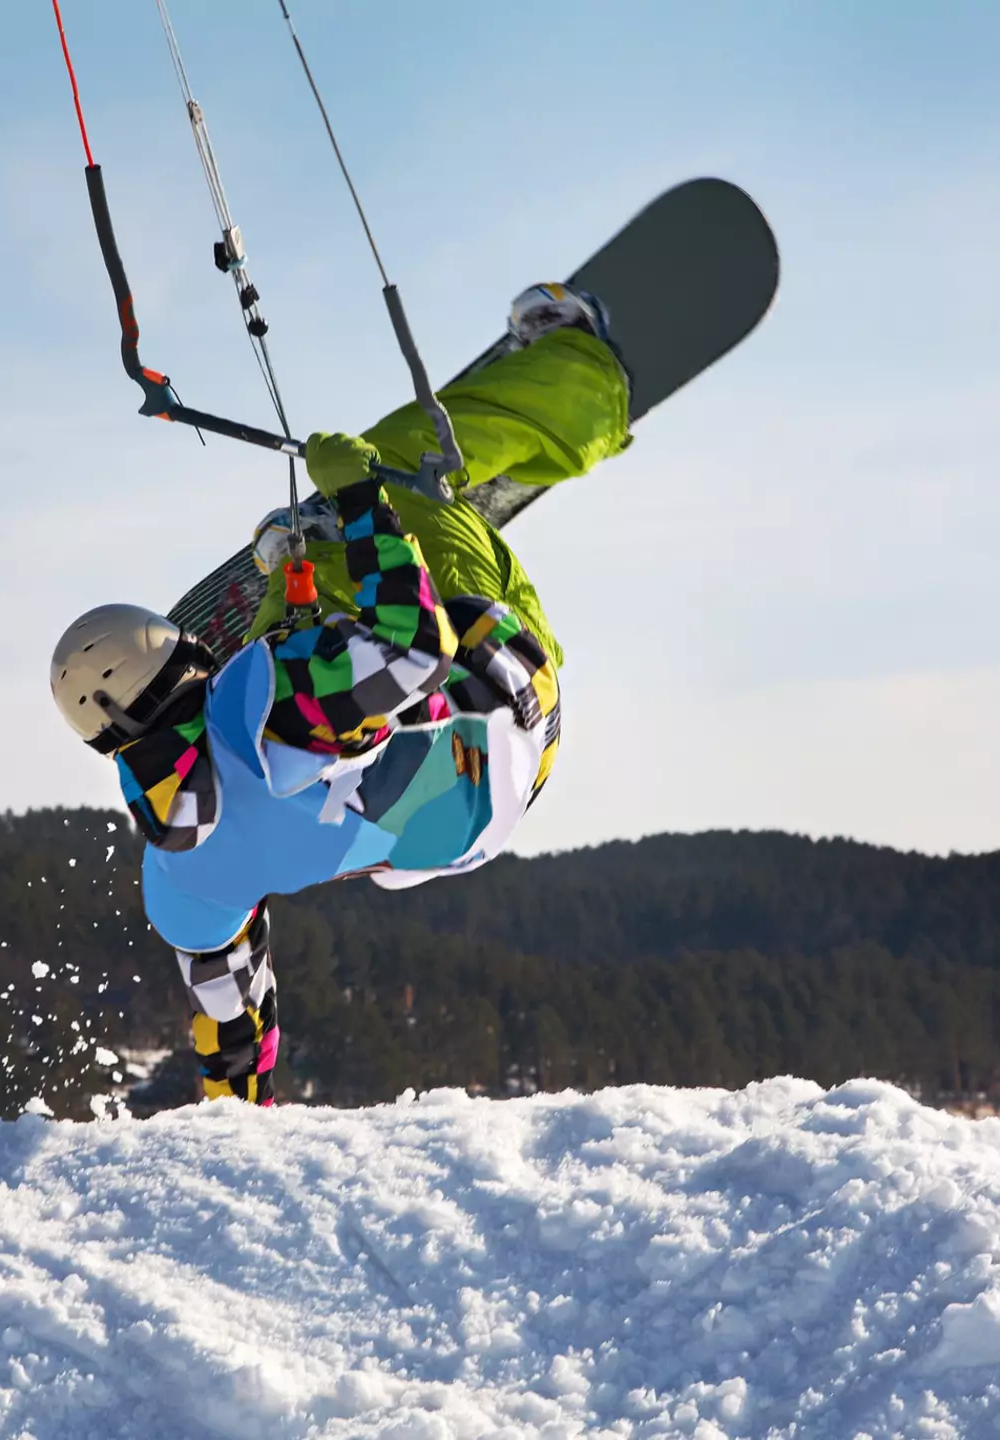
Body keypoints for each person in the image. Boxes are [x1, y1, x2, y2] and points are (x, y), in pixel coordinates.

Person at [49, 285, 632, 1104]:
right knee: (406, 475)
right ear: (183, 661)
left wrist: (236, 1118)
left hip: (460, 832)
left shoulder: (175, 872)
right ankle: (587, 373)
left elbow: (232, 1023)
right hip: (507, 700)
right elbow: (417, 650)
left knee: (333, 655)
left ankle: (323, 567)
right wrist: (361, 499)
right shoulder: (265, 699)